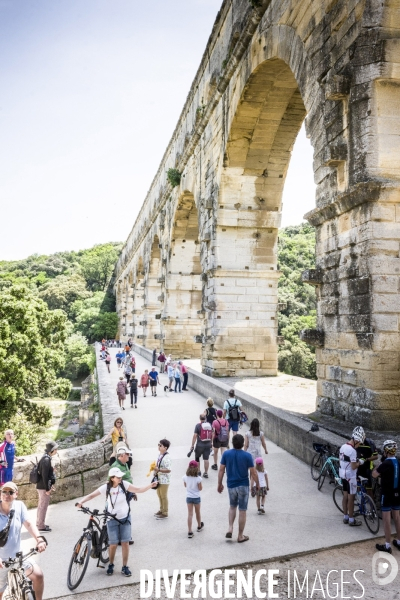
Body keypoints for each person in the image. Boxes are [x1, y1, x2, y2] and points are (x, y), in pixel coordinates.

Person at [76, 467, 156, 577]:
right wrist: (80, 502)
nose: (120, 478)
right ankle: (111, 564)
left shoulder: (124, 484)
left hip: (125, 518)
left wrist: (150, 486)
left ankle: (124, 566)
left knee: (125, 543)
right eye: (118, 477)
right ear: (112, 478)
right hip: (111, 519)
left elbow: (138, 489)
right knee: (112, 544)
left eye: (120, 477)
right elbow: (92, 495)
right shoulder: (106, 488)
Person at [0, 482, 47, 600]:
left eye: (10, 492)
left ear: (16, 494)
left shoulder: (19, 506)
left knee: (38, 576)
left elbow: (29, 524)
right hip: (1, 562)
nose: (7, 494)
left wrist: (39, 539)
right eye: (4, 492)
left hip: (18, 556)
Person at [218, 433, 258, 543]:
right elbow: (253, 472)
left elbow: (221, 470)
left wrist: (219, 484)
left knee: (232, 507)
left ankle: (230, 528)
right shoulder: (247, 456)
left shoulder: (226, 454)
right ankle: (240, 536)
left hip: (231, 485)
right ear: (243, 444)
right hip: (243, 485)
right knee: (242, 510)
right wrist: (257, 485)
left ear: (232, 443)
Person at [373, 440, 400, 554]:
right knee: (397, 518)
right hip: (397, 493)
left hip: (386, 494)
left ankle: (387, 545)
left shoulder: (385, 464)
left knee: (386, 519)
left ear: (385, 451)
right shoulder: (398, 462)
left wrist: (380, 463)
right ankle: (399, 542)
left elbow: (374, 474)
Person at [339, 426, 366, 526]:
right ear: (356, 440)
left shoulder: (343, 447)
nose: (359, 446)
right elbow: (354, 466)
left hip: (343, 475)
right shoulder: (353, 451)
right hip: (351, 477)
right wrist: (360, 462)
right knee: (351, 498)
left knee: (345, 496)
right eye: (359, 443)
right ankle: (351, 520)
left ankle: (345, 517)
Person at [36, 441, 58, 533]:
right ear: (52, 450)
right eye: (56, 449)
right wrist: (48, 489)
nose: (57, 451)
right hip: (43, 487)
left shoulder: (46, 458)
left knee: (41, 505)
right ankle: (41, 525)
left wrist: (52, 470)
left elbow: (45, 472)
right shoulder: (46, 459)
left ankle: (39, 523)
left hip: (41, 486)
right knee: (43, 506)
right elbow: (44, 476)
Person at [183, 460, 203, 538]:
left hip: (189, 497)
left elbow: (185, 485)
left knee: (190, 514)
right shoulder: (198, 478)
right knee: (197, 512)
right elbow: (200, 488)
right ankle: (199, 526)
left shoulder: (185, 477)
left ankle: (190, 531)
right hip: (196, 497)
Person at [154, 439, 171, 520]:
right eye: (159, 445)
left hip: (164, 480)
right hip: (159, 478)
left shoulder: (167, 457)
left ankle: (165, 512)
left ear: (165, 448)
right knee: (159, 495)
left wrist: (159, 470)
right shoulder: (160, 455)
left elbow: (168, 469)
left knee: (163, 496)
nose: (159, 447)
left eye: (160, 445)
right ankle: (161, 509)